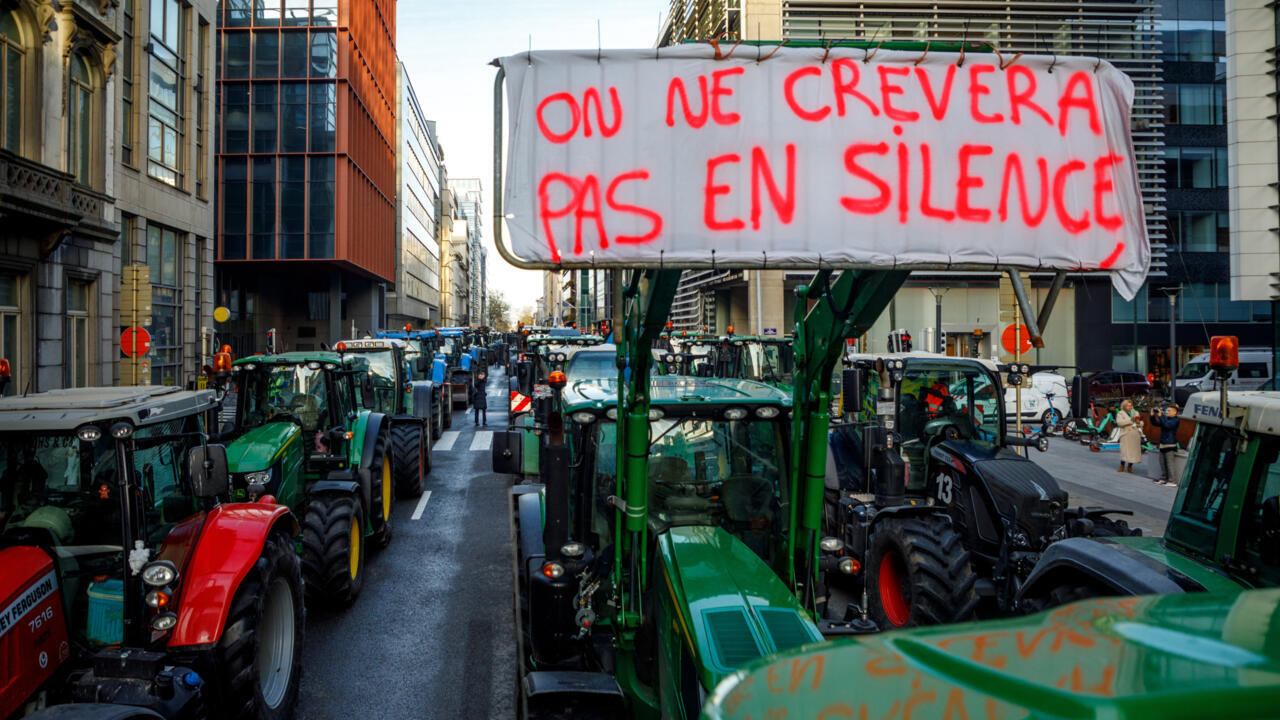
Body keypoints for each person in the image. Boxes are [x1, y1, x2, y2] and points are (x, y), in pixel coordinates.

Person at [1151, 404, 1181, 485]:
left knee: (1169, 464)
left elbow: (1167, 426)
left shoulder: (1175, 420)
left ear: (1175, 412)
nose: (1167, 412)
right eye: (1167, 410)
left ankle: (1172, 481)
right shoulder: (1166, 419)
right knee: (1162, 462)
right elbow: (1156, 423)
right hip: (1162, 443)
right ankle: (1163, 478)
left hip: (1170, 444)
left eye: (1169, 410)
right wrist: (1153, 416)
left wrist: (1161, 416)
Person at [1115, 398, 1143, 473]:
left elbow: (1141, 423)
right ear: (1124, 406)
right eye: (1128, 406)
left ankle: (1130, 466)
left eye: (1131, 406)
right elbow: (1120, 423)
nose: (1130, 407)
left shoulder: (1135, 412)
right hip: (1126, 434)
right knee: (1125, 451)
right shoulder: (1120, 413)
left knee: (1134, 452)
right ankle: (1122, 465)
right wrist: (1131, 420)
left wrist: (1139, 423)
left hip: (1135, 434)